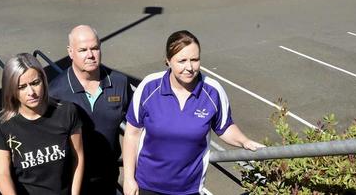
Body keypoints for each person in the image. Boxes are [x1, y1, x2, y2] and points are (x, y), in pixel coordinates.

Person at [122, 30, 264, 195]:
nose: (189, 67)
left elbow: (224, 127)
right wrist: (128, 179)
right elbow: (132, 134)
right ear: (168, 61)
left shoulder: (213, 91)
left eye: (194, 60)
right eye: (182, 61)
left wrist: (245, 141)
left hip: (189, 189)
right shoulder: (149, 87)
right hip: (147, 186)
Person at [50, 25, 132, 194]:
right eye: (83, 50)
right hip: (70, 182)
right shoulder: (56, 92)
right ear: (70, 52)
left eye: (95, 48)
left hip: (108, 178)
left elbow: (135, 129)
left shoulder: (119, 82)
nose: (90, 55)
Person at [0, 53, 84, 195]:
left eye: (35, 83)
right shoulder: (2, 123)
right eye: (21, 87)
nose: (31, 92)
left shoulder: (66, 112)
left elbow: (78, 158)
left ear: (43, 81)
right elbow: (2, 173)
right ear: (11, 89)